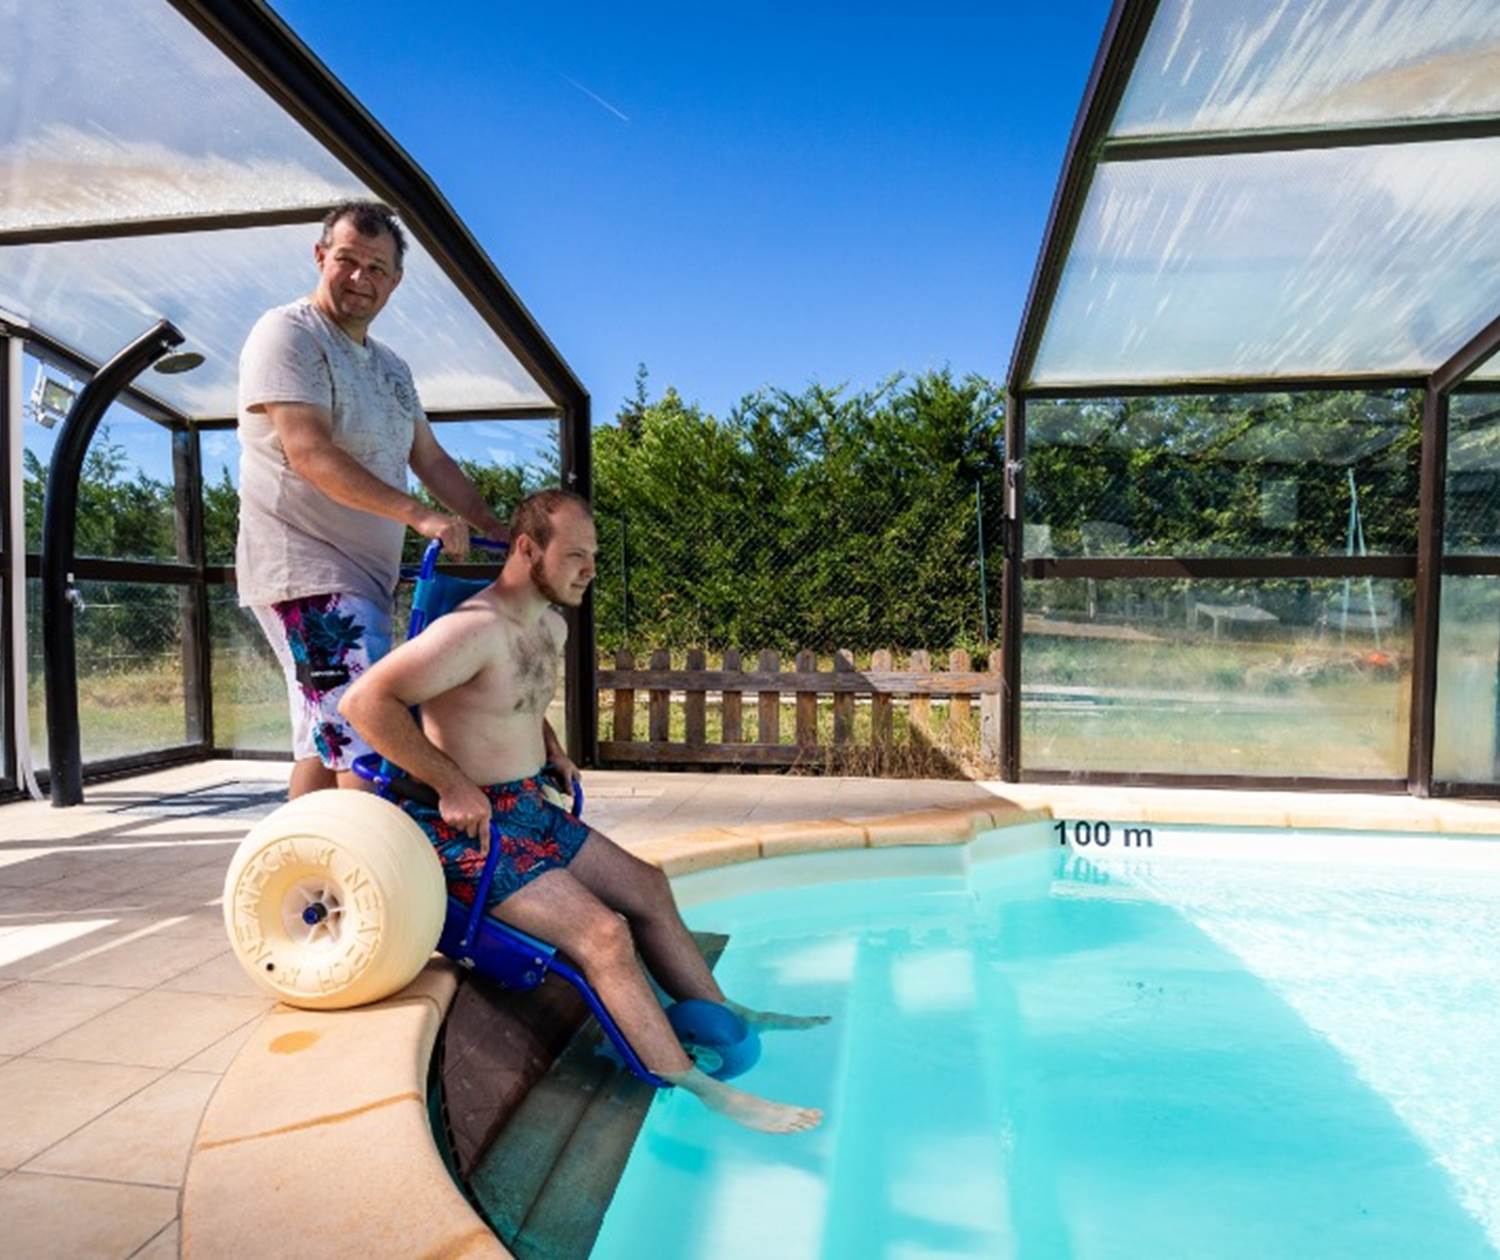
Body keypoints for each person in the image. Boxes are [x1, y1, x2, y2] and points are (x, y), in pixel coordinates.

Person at [339, 489, 826, 1134]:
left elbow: (515, 700)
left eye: (592, 556)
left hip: (529, 805)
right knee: (603, 935)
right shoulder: (471, 630)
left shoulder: (550, 626)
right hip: (470, 829)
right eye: (575, 555)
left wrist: (552, 749)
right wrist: (451, 784)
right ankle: (697, 1085)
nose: (590, 570)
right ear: (527, 549)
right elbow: (364, 703)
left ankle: (721, 1009)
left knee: (648, 887)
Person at [236, 200, 507, 799]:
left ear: (396, 280)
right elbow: (309, 453)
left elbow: (430, 459)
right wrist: (421, 516)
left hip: (364, 578)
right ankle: (373, 861)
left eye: (377, 268)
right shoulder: (289, 334)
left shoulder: (391, 368)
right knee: (368, 737)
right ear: (320, 257)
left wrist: (490, 524)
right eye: (347, 260)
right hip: (308, 573)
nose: (361, 278)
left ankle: (302, 855)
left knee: (324, 739)